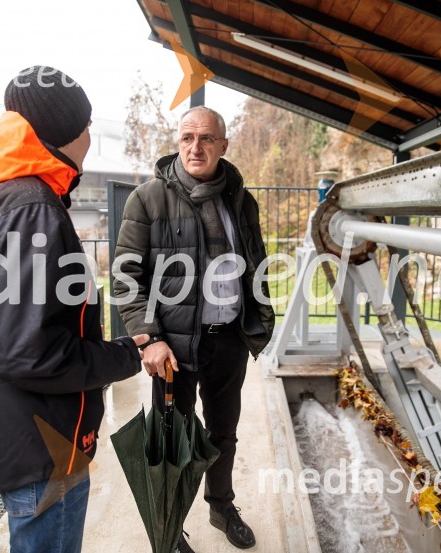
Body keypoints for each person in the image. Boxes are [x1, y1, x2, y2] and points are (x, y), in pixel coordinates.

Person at [0, 66, 148, 553]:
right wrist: (125, 355)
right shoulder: (31, 207)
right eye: (86, 124)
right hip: (42, 442)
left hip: (18, 429)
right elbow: (32, 355)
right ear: (67, 130)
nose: (91, 134)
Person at [113, 106, 275, 552]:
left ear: (223, 145)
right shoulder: (148, 198)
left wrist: (257, 319)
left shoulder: (240, 199)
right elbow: (126, 277)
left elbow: (254, 264)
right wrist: (149, 337)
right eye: (187, 137)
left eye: (206, 138)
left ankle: (221, 507)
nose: (195, 147)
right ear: (178, 142)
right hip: (173, 349)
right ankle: (171, 525)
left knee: (223, 433)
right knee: (173, 440)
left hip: (228, 340)